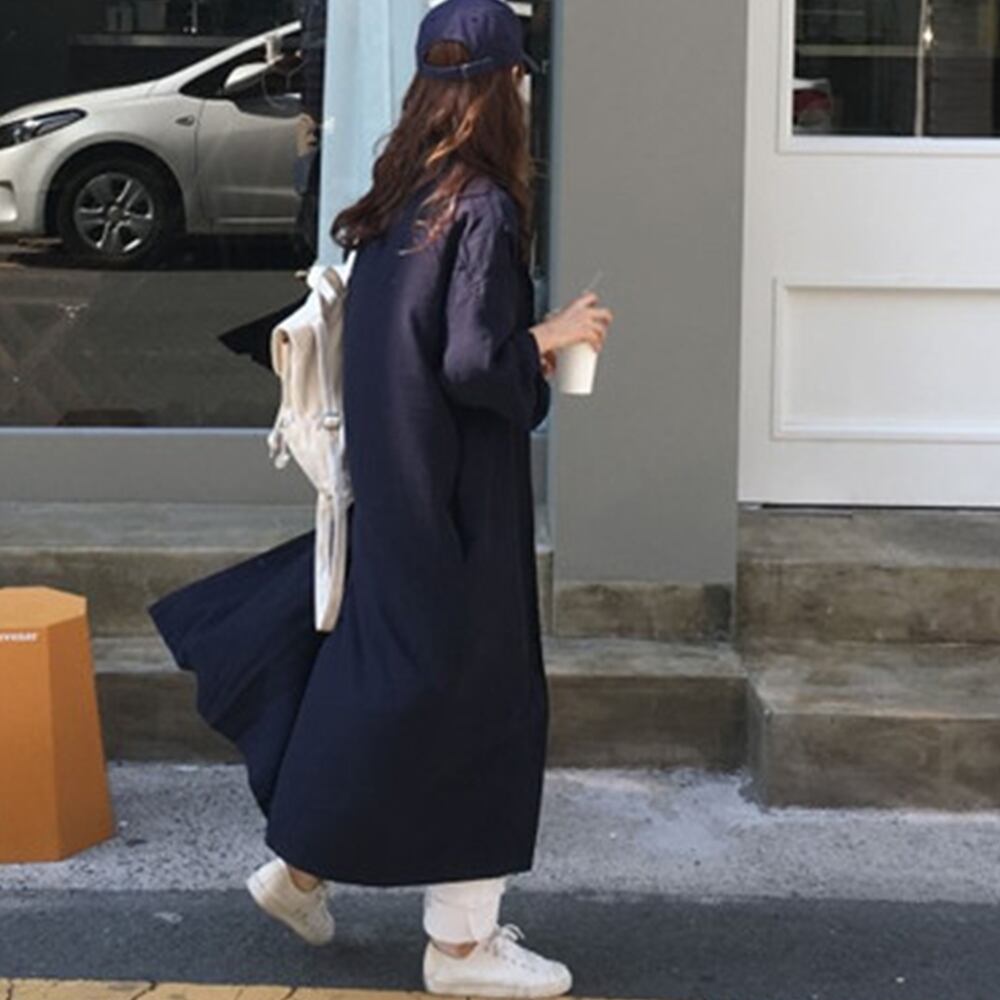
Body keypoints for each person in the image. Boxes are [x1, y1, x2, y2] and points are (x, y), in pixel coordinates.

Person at [147, 0, 612, 995]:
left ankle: (299, 870)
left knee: (388, 696)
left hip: (396, 494)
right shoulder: (482, 205)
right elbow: (474, 362)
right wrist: (551, 336)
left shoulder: (399, 196)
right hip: (459, 505)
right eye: (518, 79)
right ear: (506, 87)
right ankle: (462, 948)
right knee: (485, 712)